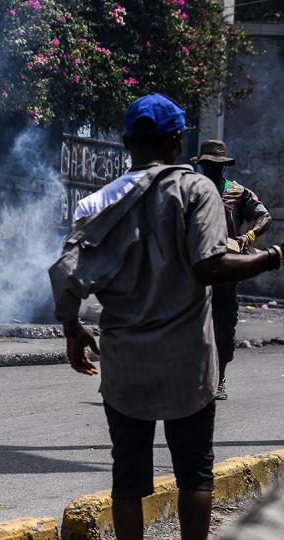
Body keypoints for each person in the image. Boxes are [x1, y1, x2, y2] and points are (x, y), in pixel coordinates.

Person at [50, 93, 284, 540]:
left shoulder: (97, 202)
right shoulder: (198, 191)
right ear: (178, 143)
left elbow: (67, 279)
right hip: (188, 364)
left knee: (128, 476)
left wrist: (73, 330)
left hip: (124, 363)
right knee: (195, 473)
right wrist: (273, 256)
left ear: (126, 142)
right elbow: (210, 266)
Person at [192, 139, 272, 400]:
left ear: (224, 167)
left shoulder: (238, 192)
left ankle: (220, 378)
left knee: (224, 324)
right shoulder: (189, 190)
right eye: (206, 165)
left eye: (216, 166)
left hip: (227, 266)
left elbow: (264, 216)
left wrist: (248, 237)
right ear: (201, 165)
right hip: (194, 268)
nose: (210, 170)